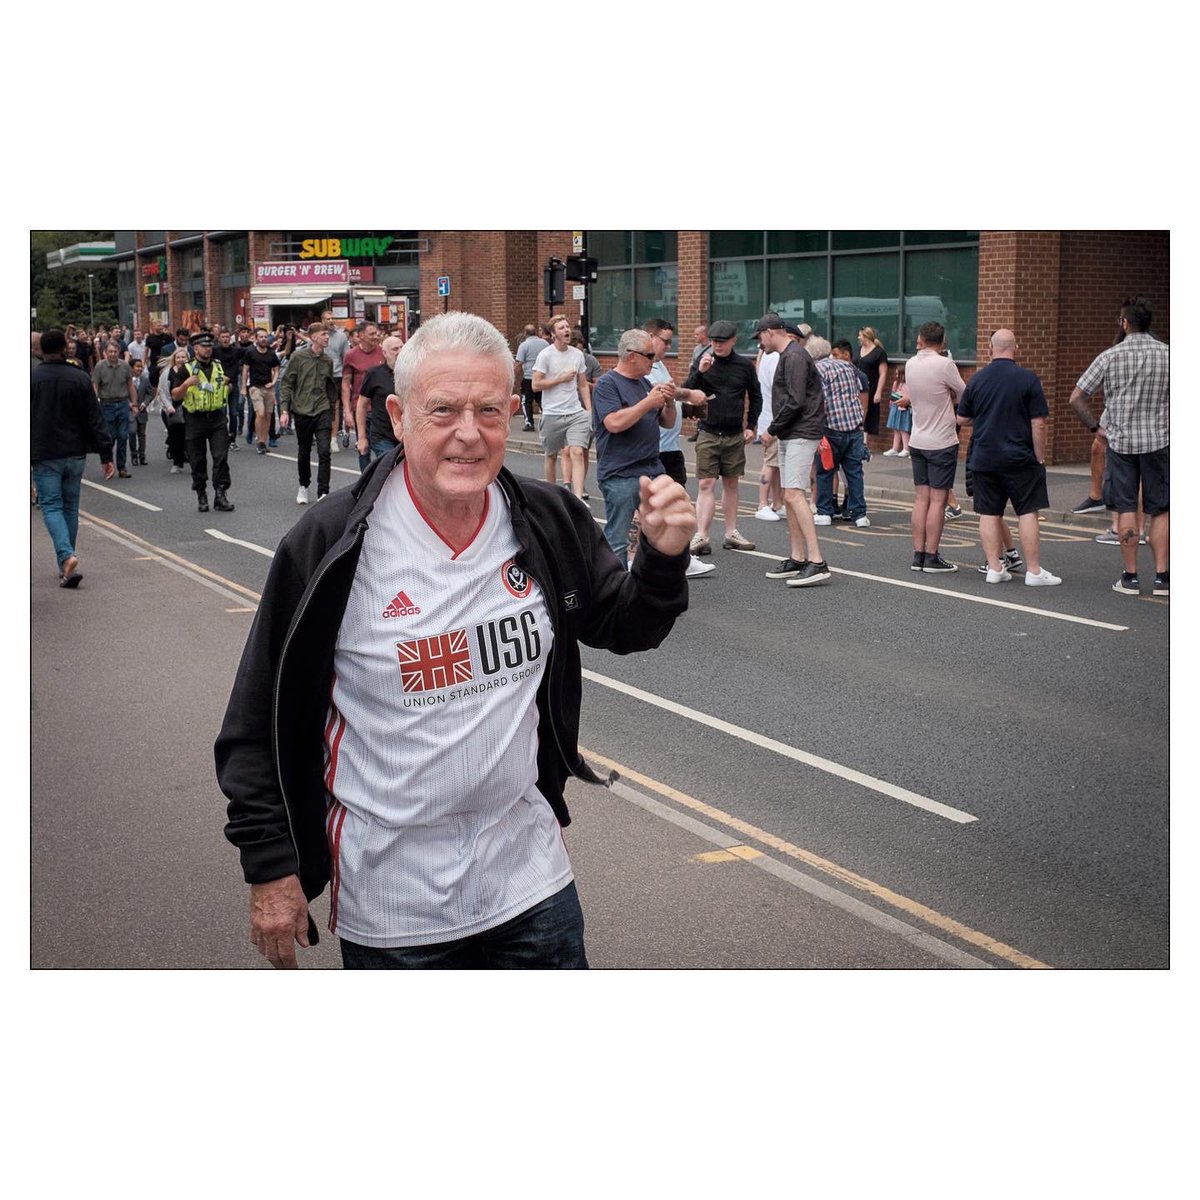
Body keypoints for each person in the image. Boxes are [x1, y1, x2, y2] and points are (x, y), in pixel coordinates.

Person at [215, 311, 694, 969]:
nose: (469, 434)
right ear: (399, 413)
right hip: (396, 911)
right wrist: (269, 866)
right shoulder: (329, 545)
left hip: (533, 887)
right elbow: (254, 720)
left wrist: (662, 558)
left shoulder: (546, 518)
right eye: (443, 411)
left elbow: (624, 625)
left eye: (490, 411)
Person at [1068, 296, 1169, 596]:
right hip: (1160, 441)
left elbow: (1076, 397)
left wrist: (1096, 428)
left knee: (1126, 506)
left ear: (1125, 323)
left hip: (1121, 443)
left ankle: (1131, 577)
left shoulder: (1110, 356)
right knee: (1161, 509)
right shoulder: (1168, 355)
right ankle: (1163, 578)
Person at [956, 330, 1061, 586]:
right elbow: (1039, 424)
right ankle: (1034, 572)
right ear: (1016, 348)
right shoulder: (1028, 379)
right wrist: (1040, 456)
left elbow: (962, 418)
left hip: (984, 456)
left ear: (990, 348)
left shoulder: (977, 380)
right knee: (1027, 512)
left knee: (989, 513)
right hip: (1020, 457)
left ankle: (994, 568)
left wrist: (984, 416)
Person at [591, 327, 681, 570]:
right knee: (618, 536)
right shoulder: (607, 385)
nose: (654, 361)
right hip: (621, 472)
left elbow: (667, 422)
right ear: (631, 355)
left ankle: (651, 582)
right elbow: (614, 423)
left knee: (662, 528)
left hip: (652, 468)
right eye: (649, 356)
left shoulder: (645, 383)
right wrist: (648, 402)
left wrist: (669, 403)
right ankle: (616, 587)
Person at [32, 329, 116, 587]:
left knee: (51, 505)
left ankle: (67, 556)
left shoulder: (30, 378)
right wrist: (105, 453)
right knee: (70, 506)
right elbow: (95, 418)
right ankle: (65, 566)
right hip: (76, 451)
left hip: (45, 452)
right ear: (64, 349)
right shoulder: (79, 378)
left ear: (41, 350)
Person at [755, 315, 831, 587]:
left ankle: (817, 562)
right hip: (792, 432)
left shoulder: (795, 356)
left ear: (771, 332)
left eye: (760, 336)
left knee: (795, 494)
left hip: (801, 431)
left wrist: (771, 430)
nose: (759, 343)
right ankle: (798, 558)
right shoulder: (788, 355)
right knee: (789, 495)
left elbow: (796, 400)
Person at [683, 320, 761, 557]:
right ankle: (702, 535)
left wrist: (752, 426)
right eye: (714, 341)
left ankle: (731, 533)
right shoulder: (703, 361)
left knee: (731, 483)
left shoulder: (744, 365)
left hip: (734, 433)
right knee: (706, 483)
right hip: (707, 431)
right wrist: (700, 371)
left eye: (722, 341)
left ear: (733, 341)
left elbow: (755, 396)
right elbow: (686, 391)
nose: (716, 345)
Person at [643, 319, 714, 580]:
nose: (668, 346)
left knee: (678, 503)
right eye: (665, 341)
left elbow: (670, 397)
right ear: (650, 337)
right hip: (654, 448)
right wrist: (689, 394)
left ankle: (681, 559)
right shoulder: (645, 366)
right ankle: (650, 560)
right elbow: (662, 392)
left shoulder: (660, 364)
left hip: (671, 447)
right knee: (655, 509)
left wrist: (688, 407)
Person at [903, 322, 964, 573]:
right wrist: (951, 398)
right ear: (942, 341)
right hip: (941, 441)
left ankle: (918, 555)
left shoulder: (909, 364)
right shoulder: (945, 364)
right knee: (938, 501)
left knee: (921, 499)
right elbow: (965, 393)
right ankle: (932, 556)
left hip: (917, 439)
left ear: (920, 339)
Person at [166, 331, 234, 513]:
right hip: (195, 419)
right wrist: (186, 384)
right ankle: (201, 494)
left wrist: (226, 388)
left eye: (210, 346)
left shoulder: (219, 365)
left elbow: (228, 383)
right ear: (195, 349)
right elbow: (175, 395)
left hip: (217, 417)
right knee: (197, 459)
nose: (208, 349)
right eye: (204, 347)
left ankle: (221, 495)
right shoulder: (186, 369)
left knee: (221, 456)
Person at [809, 336, 871, 528]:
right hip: (854, 427)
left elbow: (821, 401)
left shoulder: (817, 370)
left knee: (826, 471)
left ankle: (825, 512)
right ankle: (859, 514)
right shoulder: (847, 367)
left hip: (831, 427)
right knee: (854, 473)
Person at [279, 321, 338, 504]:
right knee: (304, 452)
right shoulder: (298, 357)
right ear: (313, 337)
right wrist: (284, 410)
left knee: (324, 451)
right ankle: (303, 486)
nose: (327, 337)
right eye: (323, 335)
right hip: (302, 410)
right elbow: (287, 383)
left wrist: (332, 410)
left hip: (322, 410)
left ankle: (323, 492)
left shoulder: (328, 360)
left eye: (327, 334)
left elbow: (329, 385)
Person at [533, 315, 591, 500]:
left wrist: (589, 411)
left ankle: (578, 498)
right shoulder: (545, 355)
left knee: (577, 452)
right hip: (552, 413)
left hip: (575, 412)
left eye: (567, 327)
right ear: (553, 334)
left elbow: (583, 384)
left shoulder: (577, 354)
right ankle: (552, 496)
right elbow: (536, 385)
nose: (566, 330)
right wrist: (561, 379)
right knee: (551, 455)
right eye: (561, 328)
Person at [752, 322, 785, 521]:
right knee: (771, 463)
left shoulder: (765, 356)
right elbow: (779, 388)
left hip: (770, 417)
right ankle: (763, 504)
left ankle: (777, 502)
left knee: (776, 463)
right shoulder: (774, 357)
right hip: (774, 419)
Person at [91, 339, 137, 478]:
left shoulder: (124, 366)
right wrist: (94, 404)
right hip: (106, 404)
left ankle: (122, 468)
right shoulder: (100, 366)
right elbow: (95, 385)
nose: (112, 354)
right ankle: (108, 464)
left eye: (115, 352)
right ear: (105, 353)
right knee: (110, 437)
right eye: (110, 351)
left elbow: (130, 384)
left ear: (119, 352)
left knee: (123, 436)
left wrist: (134, 403)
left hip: (122, 403)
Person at [357, 333, 404, 463]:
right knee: (389, 470)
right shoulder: (374, 374)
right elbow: (361, 405)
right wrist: (362, 438)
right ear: (384, 353)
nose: (400, 352)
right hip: (383, 435)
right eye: (395, 349)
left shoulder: (412, 372)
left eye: (402, 348)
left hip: (406, 434)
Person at [340, 321, 384, 457]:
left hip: (380, 408)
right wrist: (347, 411)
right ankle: (366, 477)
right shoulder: (351, 355)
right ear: (361, 336)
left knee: (381, 447)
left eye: (376, 333)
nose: (376, 336)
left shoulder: (383, 352)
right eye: (371, 334)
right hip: (360, 407)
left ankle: (380, 476)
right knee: (363, 448)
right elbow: (346, 384)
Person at [240, 327, 281, 454]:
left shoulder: (271, 353)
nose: (263, 339)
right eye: (261, 337)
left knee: (268, 415)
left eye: (265, 337)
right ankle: (259, 440)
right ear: (256, 338)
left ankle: (263, 440)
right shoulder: (250, 352)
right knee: (260, 413)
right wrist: (243, 388)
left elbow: (276, 369)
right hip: (255, 387)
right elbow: (245, 370)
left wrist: (273, 382)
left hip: (268, 387)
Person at [853, 326, 889, 438]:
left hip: (871, 386)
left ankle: (865, 444)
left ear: (866, 336)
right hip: (855, 387)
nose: (858, 337)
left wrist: (879, 391)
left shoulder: (879, 352)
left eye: (860, 335)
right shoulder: (857, 350)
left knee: (868, 414)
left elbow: (883, 373)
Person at [514, 323, 549, 431]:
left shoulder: (524, 345)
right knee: (543, 401)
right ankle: (546, 423)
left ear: (525, 333)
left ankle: (529, 423)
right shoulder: (545, 343)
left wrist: (513, 375)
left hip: (529, 377)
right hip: (543, 377)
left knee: (526, 402)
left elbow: (519, 363)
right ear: (536, 332)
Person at [160, 347, 190, 472]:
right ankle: (176, 462)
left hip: (189, 407)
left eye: (183, 357)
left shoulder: (192, 371)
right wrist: (168, 406)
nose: (181, 360)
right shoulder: (167, 373)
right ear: (174, 359)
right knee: (175, 437)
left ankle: (191, 458)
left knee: (189, 436)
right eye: (178, 357)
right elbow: (162, 392)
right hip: (172, 408)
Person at [129, 357, 151, 465]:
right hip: (131, 412)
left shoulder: (145, 379)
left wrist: (144, 403)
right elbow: (123, 393)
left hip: (142, 412)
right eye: (137, 366)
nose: (140, 369)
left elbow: (150, 393)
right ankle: (134, 454)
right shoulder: (126, 380)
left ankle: (142, 455)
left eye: (141, 366)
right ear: (131, 368)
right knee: (132, 432)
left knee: (142, 434)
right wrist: (130, 404)